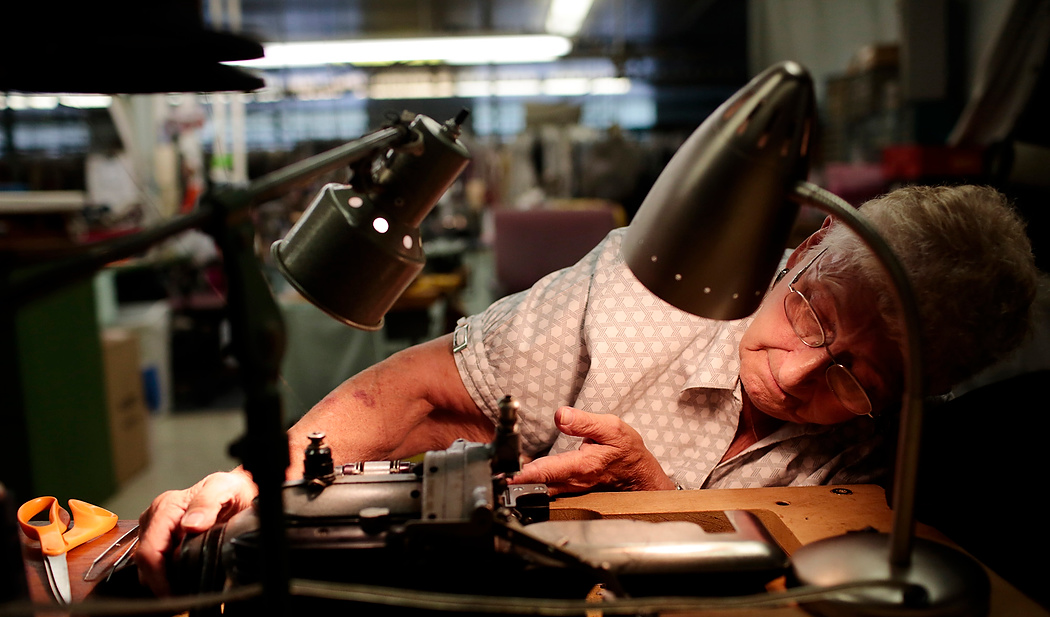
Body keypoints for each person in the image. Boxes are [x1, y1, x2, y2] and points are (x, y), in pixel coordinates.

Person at [136, 184, 1038, 596]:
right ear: (800, 251)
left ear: (918, 397)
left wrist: (660, 509)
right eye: (812, 312)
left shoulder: (889, 460)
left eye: (857, 376)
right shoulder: (643, 294)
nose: (799, 372)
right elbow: (413, 398)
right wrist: (262, 485)